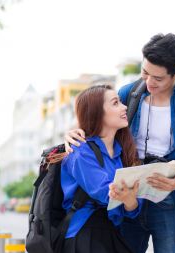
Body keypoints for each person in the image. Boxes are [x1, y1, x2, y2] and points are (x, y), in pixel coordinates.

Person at [65, 33, 175, 253]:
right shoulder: (130, 93)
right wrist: (74, 132)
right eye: (145, 72)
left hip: (168, 197)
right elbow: (98, 117)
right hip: (129, 193)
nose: (148, 82)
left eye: (158, 78)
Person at [61, 85, 143, 253]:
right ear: (97, 112)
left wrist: (131, 201)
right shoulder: (80, 150)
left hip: (110, 233)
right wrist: (128, 197)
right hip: (85, 233)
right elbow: (105, 193)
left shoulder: (120, 153)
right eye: (115, 103)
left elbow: (131, 208)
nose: (124, 107)